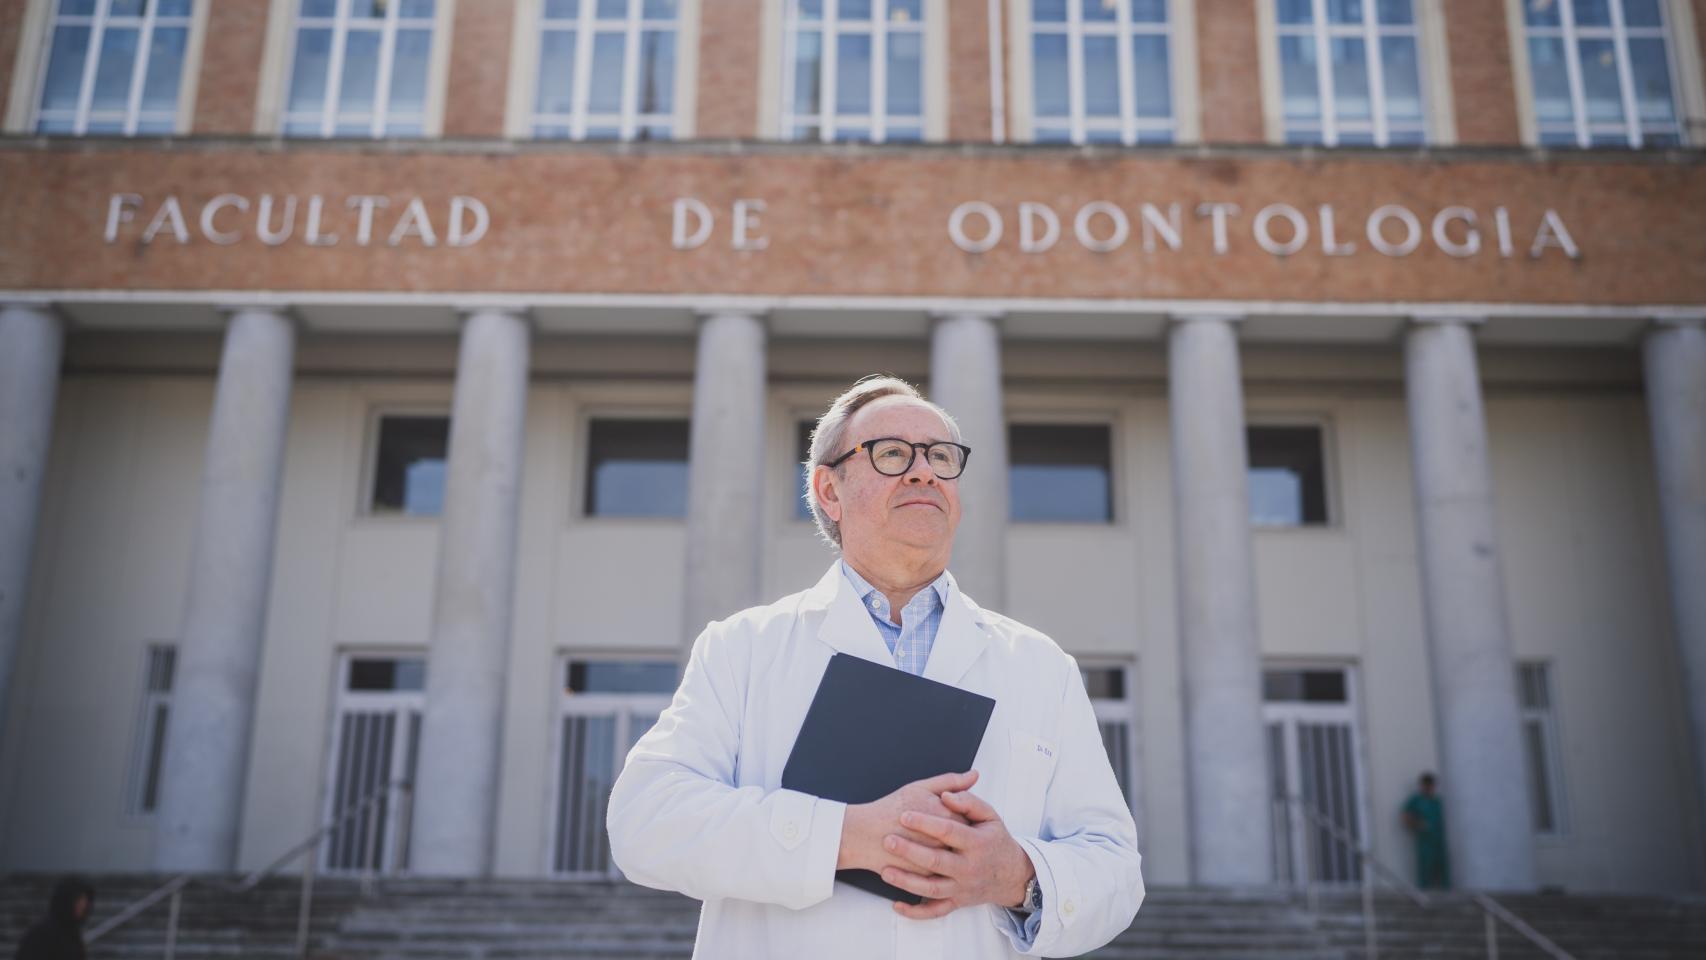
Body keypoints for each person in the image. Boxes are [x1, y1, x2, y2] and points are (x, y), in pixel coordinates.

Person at [608, 375, 1144, 958]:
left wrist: (1016, 875)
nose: (925, 472)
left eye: (941, 456)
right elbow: (646, 821)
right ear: (829, 491)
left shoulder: (1041, 666)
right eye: (892, 454)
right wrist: (844, 836)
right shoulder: (743, 648)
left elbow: (1115, 870)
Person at [13, 875, 95, 960]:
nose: (82, 907)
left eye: (84, 904)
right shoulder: (41, 934)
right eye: (78, 903)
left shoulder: (73, 935)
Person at [1402, 772, 1451, 890]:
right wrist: (1418, 824)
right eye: (1426, 785)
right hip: (1426, 843)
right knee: (1425, 871)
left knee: (1443, 872)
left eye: (1431, 786)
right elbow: (1405, 816)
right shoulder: (1417, 800)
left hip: (1439, 842)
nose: (1428, 788)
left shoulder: (1437, 801)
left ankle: (1446, 894)